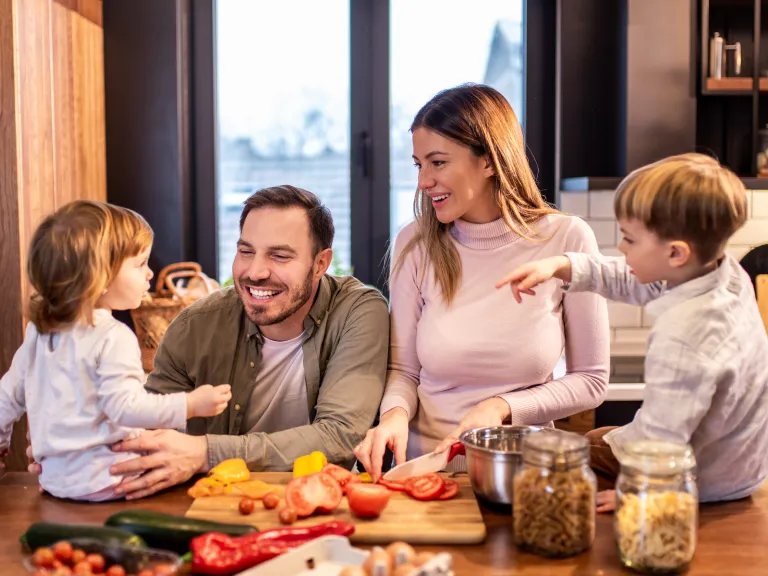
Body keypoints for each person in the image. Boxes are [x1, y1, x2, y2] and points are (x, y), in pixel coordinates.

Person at [354, 84, 610, 480]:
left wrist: (501, 407)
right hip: (426, 478)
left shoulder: (566, 239)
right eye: (418, 165)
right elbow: (404, 371)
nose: (423, 181)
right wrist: (392, 417)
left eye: (438, 162)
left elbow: (591, 381)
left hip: (523, 479)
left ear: (489, 160)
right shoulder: (416, 244)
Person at [498, 153, 768, 511]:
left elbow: (664, 437)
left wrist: (636, 495)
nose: (622, 249)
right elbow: (633, 278)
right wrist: (562, 265)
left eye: (629, 239)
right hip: (741, 462)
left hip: (703, 477)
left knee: (570, 459)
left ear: (675, 253)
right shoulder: (722, 274)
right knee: (597, 438)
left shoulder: (685, 335)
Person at [99, 185, 389, 499]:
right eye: (246, 251)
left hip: (318, 504)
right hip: (212, 502)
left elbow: (340, 436)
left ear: (320, 263)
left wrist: (205, 452)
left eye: (279, 256)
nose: (255, 272)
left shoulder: (357, 312)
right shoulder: (195, 324)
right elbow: (144, 429)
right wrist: (73, 456)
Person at [0, 200, 231, 501]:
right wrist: (190, 405)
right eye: (140, 264)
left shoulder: (40, 333)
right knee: (196, 473)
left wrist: (2, 442)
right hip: (109, 480)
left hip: (56, 480)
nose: (150, 274)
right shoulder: (114, 337)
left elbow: (7, 396)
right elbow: (126, 408)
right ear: (100, 277)